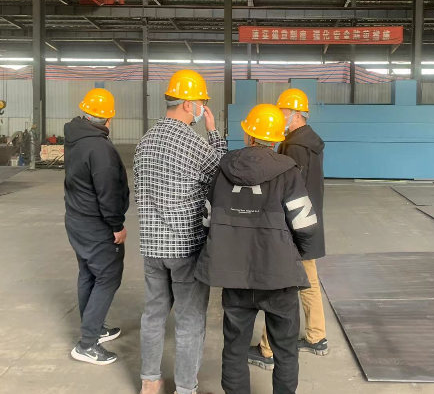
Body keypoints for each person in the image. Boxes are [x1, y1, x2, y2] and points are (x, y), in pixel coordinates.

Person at [195, 103, 319, 394]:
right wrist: (294, 251)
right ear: (276, 138)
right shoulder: (287, 171)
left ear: (249, 135)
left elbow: (207, 219)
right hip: (278, 275)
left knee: (235, 346)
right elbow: (305, 225)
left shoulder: (224, 169)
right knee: (285, 349)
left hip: (234, 274)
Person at [134, 69, 227, 394]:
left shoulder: (145, 141)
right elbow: (223, 175)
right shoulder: (193, 143)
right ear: (189, 104)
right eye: (201, 102)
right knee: (189, 320)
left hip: (152, 248)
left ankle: (149, 381)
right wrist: (214, 133)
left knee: (153, 314)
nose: (203, 108)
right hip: (186, 248)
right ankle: (185, 388)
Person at [248, 88, 328, 370]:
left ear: (295, 114)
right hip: (309, 223)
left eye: (282, 111)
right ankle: (317, 336)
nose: (279, 116)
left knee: (282, 286)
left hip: (294, 227)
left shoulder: (294, 147)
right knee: (309, 282)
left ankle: (268, 349)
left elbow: (290, 192)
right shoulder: (311, 142)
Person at [64, 88, 130, 366]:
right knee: (108, 277)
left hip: (77, 219)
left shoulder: (75, 137)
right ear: (108, 119)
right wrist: (117, 225)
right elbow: (108, 192)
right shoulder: (100, 149)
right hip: (97, 224)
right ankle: (87, 344)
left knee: (89, 274)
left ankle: (93, 326)